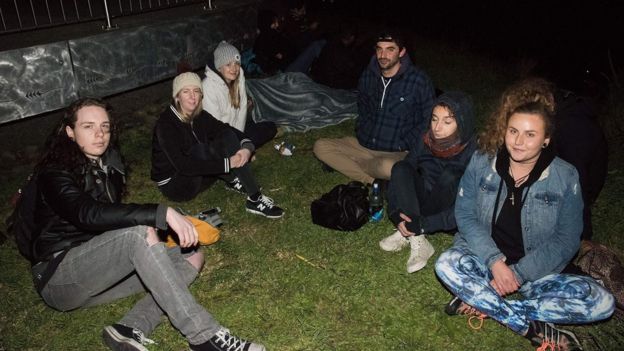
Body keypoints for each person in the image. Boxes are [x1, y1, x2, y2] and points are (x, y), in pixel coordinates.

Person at [30, 97, 266, 351]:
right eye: (88, 126)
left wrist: (166, 228)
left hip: (98, 273)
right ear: (70, 132)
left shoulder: (107, 166)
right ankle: (205, 337)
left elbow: (112, 218)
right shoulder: (55, 172)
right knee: (140, 234)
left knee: (192, 255)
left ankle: (131, 328)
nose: (99, 134)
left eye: (105, 127)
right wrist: (160, 214)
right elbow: (88, 214)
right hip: (60, 278)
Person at [434, 94, 615, 349]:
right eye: (513, 131)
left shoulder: (565, 176)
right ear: (504, 131)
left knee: (602, 303)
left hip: (537, 273)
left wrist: (518, 275)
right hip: (485, 262)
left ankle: (480, 299)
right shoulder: (483, 161)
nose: (518, 142)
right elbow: (464, 213)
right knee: (445, 264)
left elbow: (567, 239)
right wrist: (494, 261)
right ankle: (529, 327)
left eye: (530, 135)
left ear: (546, 139)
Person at [151, 72, 284, 219]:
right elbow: (184, 166)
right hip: (176, 185)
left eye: (196, 91)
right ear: (177, 96)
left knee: (226, 136)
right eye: (186, 91)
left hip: (200, 174)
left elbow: (224, 129)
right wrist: (227, 164)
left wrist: (246, 147)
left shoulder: (199, 115)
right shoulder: (166, 125)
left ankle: (234, 180)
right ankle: (254, 197)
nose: (192, 96)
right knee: (202, 150)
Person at [313, 28, 436, 185]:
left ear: (402, 52)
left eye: (390, 49)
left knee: (387, 167)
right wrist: (362, 129)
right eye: (379, 49)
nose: (383, 56)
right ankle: (372, 180)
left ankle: (353, 165)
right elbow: (363, 107)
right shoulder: (369, 75)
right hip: (365, 145)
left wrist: (406, 144)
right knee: (320, 147)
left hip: (396, 152)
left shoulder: (418, 81)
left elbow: (428, 120)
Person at [380, 92, 476, 273]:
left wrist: (425, 224)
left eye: (447, 122)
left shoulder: (474, 152)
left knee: (451, 175)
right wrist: (395, 211)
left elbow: (469, 207)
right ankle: (413, 233)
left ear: (462, 124)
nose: (437, 127)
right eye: (434, 119)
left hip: (447, 209)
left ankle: (416, 231)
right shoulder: (425, 140)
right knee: (400, 166)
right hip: (422, 200)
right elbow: (403, 174)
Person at [202, 41, 277, 148]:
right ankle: (239, 152)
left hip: (235, 130)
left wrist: (241, 138)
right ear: (219, 67)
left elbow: (242, 109)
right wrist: (237, 143)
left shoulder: (239, 77)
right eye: (228, 64)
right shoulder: (208, 87)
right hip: (217, 139)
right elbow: (214, 127)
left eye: (236, 63)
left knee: (270, 127)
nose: (234, 69)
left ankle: (242, 149)